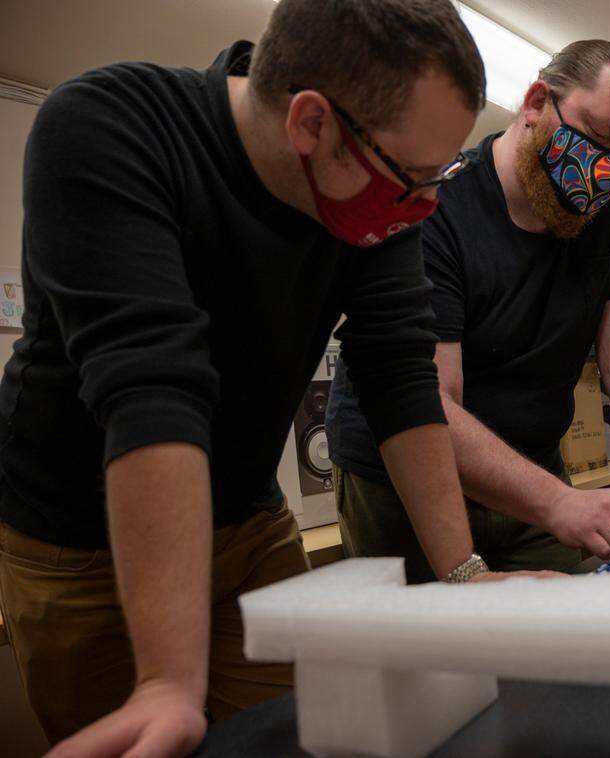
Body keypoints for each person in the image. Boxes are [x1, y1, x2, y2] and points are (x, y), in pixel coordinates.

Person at [0, 2, 548, 755]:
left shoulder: (375, 201)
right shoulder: (107, 125)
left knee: (306, 733)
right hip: (78, 540)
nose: (426, 205)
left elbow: (397, 375)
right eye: (413, 178)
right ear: (312, 123)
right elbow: (153, 390)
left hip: (248, 524)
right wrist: (167, 679)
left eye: (440, 177)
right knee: (152, 734)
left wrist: (464, 574)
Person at [326, 40, 610, 583]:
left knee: (557, 639)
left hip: (533, 465)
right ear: (537, 102)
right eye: (594, 137)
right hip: (406, 479)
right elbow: (425, 398)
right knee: (436, 653)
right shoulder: (440, 205)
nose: (602, 170)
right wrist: (555, 504)